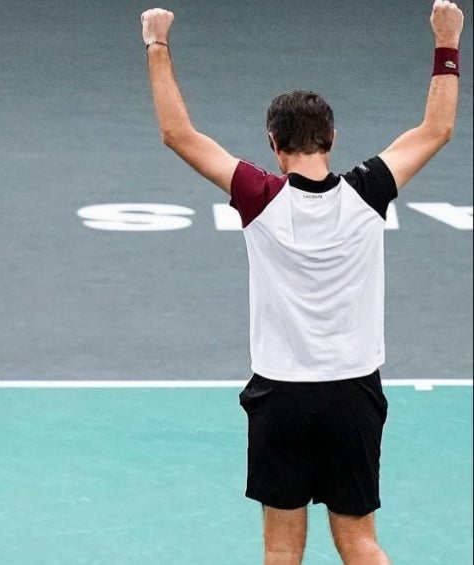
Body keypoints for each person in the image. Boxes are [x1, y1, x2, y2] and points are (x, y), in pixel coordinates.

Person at [139, 2, 462, 564]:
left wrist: (157, 44)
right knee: (360, 542)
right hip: (353, 393)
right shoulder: (369, 192)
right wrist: (447, 41)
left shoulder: (259, 198)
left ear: (273, 143)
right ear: (331, 137)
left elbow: (177, 133)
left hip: (282, 397)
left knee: (283, 550)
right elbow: (437, 129)